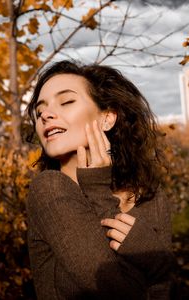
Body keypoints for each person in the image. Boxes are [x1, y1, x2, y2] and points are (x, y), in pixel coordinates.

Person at [26, 60, 174, 300]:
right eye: (40, 109)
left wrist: (159, 268)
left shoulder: (148, 196)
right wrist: (157, 263)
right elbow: (116, 292)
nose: (46, 115)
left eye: (66, 101)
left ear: (107, 118)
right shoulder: (48, 189)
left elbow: (165, 293)